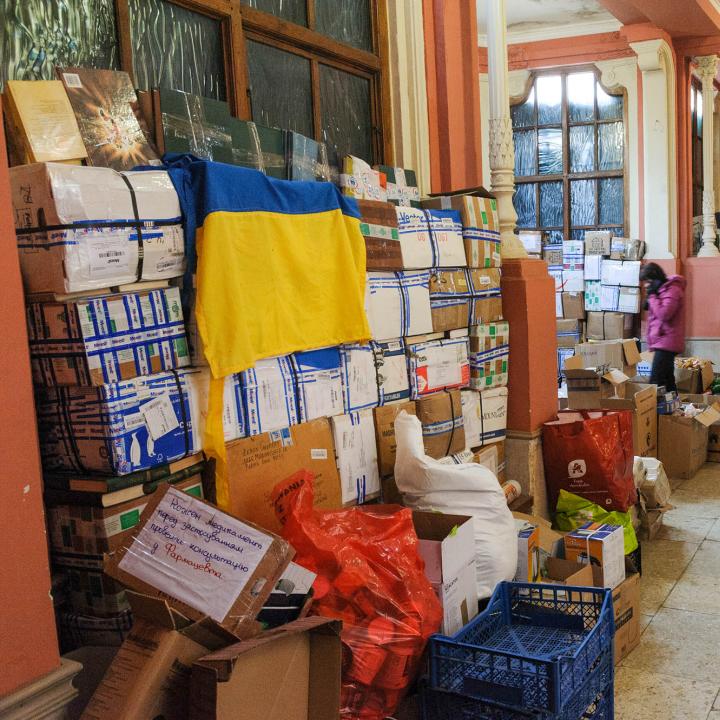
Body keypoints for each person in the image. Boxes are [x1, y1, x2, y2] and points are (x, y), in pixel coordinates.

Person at [640, 262, 686, 392]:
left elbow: (664, 314)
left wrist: (653, 296)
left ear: (655, 278)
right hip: (663, 341)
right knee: (667, 380)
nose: (646, 285)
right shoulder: (661, 290)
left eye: (647, 281)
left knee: (656, 381)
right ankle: (674, 409)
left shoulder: (673, 290)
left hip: (667, 342)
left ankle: (655, 411)